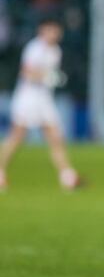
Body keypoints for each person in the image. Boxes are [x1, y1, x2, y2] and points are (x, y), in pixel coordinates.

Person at [0, 20, 80, 191]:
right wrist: (47, 76)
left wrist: (51, 77)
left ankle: (67, 175)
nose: (54, 33)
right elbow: (26, 72)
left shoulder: (55, 51)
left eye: (56, 30)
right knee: (17, 137)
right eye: (51, 30)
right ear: (42, 30)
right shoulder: (35, 48)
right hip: (28, 97)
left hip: (44, 98)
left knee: (55, 136)